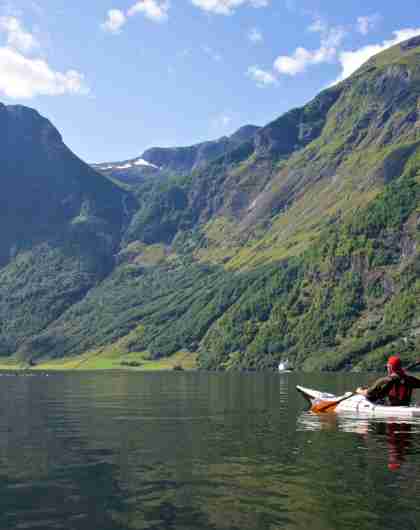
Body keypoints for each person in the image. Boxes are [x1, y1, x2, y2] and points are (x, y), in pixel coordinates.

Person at [356, 355, 420, 406]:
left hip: (391, 408)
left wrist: (359, 391)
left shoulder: (384, 380)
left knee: (371, 397)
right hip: (405, 406)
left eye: (388, 367)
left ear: (390, 368)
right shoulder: (410, 379)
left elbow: (369, 393)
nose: (387, 369)